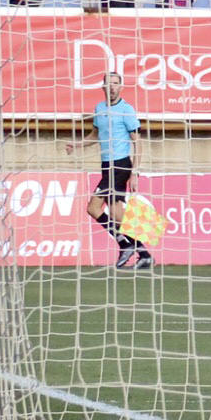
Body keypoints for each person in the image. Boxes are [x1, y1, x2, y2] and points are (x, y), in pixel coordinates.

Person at [64, 72, 152, 271]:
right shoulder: (99, 108)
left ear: (120, 87)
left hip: (120, 165)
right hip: (106, 166)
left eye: (115, 84)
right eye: (108, 83)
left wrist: (135, 172)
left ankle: (125, 245)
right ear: (103, 87)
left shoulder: (126, 110)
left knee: (93, 208)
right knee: (115, 213)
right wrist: (76, 145)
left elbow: (138, 142)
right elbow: (95, 135)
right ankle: (144, 254)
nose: (112, 87)